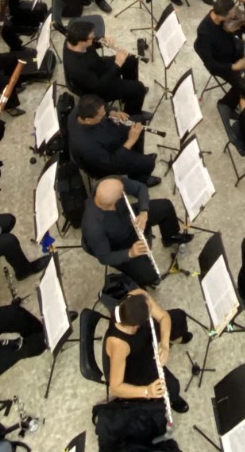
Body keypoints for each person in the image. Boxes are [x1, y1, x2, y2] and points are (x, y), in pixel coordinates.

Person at [82, 177, 192, 290]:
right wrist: (130, 253)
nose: (124, 193)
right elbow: (105, 258)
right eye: (121, 194)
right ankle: (144, 281)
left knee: (165, 206)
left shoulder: (112, 185)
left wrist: (144, 211)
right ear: (112, 205)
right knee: (151, 276)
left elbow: (140, 188)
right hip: (120, 245)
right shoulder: (93, 228)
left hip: (132, 218)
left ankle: (169, 237)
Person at [105, 288, 192, 416]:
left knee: (179, 317)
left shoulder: (137, 296)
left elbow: (163, 317)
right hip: (134, 361)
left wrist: (164, 345)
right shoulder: (119, 344)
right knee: (171, 387)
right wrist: (147, 391)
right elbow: (115, 387)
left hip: (144, 337)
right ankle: (172, 399)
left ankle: (174, 339)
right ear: (136, 325)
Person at [63, 23, 149, 116]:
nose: (94, 37)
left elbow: (92, 43)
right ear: (81, 42)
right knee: (139, 89)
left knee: (131, 59)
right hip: (97, 88)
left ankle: (128, 96)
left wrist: (102, 41)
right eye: (92, 37)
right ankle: (131, 116)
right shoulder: (77, 68)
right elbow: (100, 86)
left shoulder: (73, 40)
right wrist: (117, 64)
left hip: (98, 66)